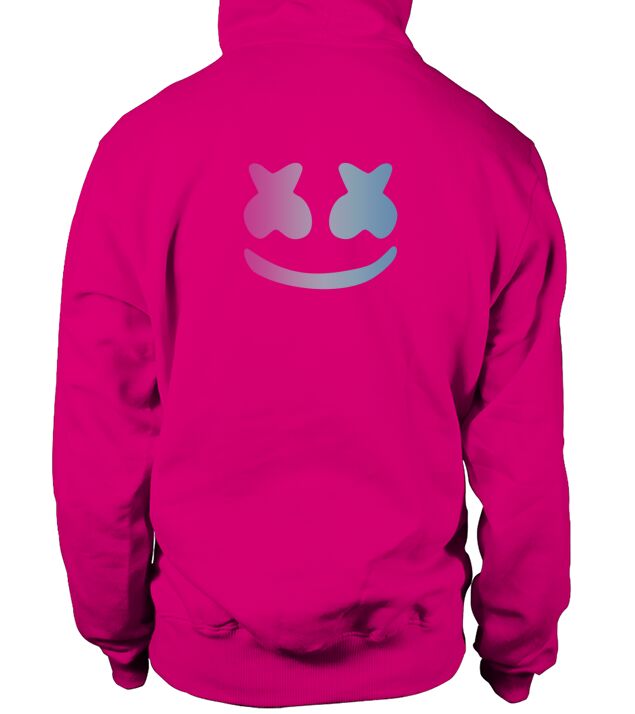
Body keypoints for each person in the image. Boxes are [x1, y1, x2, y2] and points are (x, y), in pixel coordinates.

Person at [52, 0, 570, 706]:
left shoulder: (140, 151)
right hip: (414, 655)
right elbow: (522, 443)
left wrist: (116, 628)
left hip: (202, 647)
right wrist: (516, 644)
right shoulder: (494, 156)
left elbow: (102, 428)